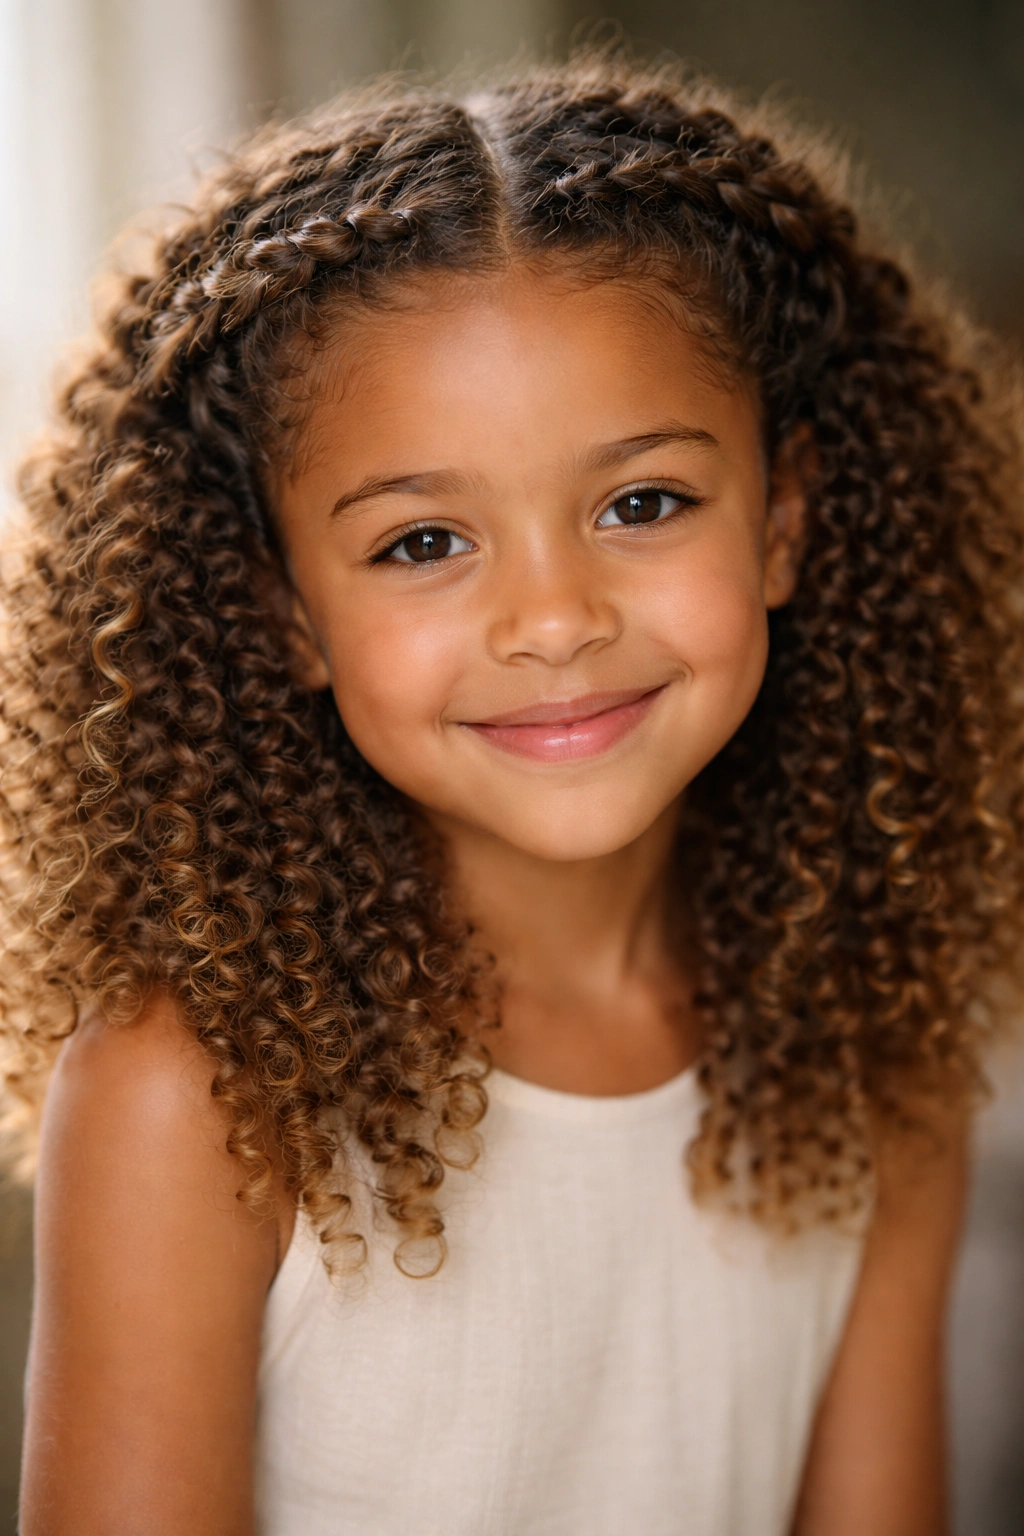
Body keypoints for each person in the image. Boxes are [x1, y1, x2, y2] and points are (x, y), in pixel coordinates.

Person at [4, 54, 1023, 1536]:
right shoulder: (196, 1089)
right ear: (280, 607)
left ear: (787, 520)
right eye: (424, 542)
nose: (554, 618)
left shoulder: (872, 1029)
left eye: (643, 504)